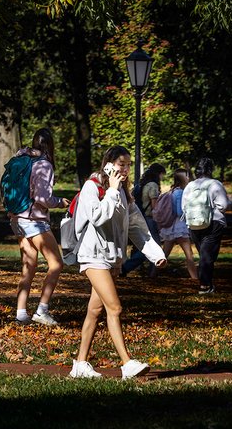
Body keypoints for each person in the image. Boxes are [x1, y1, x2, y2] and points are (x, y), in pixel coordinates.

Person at [69, 145, 166, 379]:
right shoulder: (92, 187)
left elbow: (137, 227)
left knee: (94, 310)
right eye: (122, 164)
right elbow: (98, 217)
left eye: (128, 164)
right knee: (115, 307)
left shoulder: (123, 192)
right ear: (109, 164)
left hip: (111, 258)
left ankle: (80, 364)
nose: (125, 169)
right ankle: (127, 363)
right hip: (93, 255)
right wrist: (112, 190)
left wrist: (156, 253)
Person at [9, 128, 68, 325]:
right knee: (56, 264)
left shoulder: (22, 159)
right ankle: (42, 310)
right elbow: (43, 198)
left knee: (29, 266)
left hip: (17, 219)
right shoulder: (43, 165)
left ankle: (21, 312)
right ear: (50, 145)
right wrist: (59, 202)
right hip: (34, 220)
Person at [186, 157, 230, 295]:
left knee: (205, 254)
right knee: (207, 255)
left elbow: (183, 206)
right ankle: (204, 286)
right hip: (213, 223)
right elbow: (223, 205)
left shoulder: (190, 186)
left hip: (193, 223)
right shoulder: (215, 184)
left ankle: (208, 283)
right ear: (211, 169)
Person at [121, 164, 165, 277]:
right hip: (149, 219)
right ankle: (129, 268)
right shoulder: (153, 186)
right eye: (162, 175)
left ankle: (135, 268)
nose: (162, 178)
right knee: (151, 246)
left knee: (139, 245)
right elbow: (155, 207)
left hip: (138, 217)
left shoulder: (140, 185)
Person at [157, 168, 198, 280]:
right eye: (187, 176)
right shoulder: (180, 192)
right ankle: (195, 279)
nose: (189, 178)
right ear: (183, 179)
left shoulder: (173, 190)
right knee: (189, 254)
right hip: (179, 226)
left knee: (163, 255)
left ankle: (152, 275)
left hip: (170, 227)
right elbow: (179, 212)